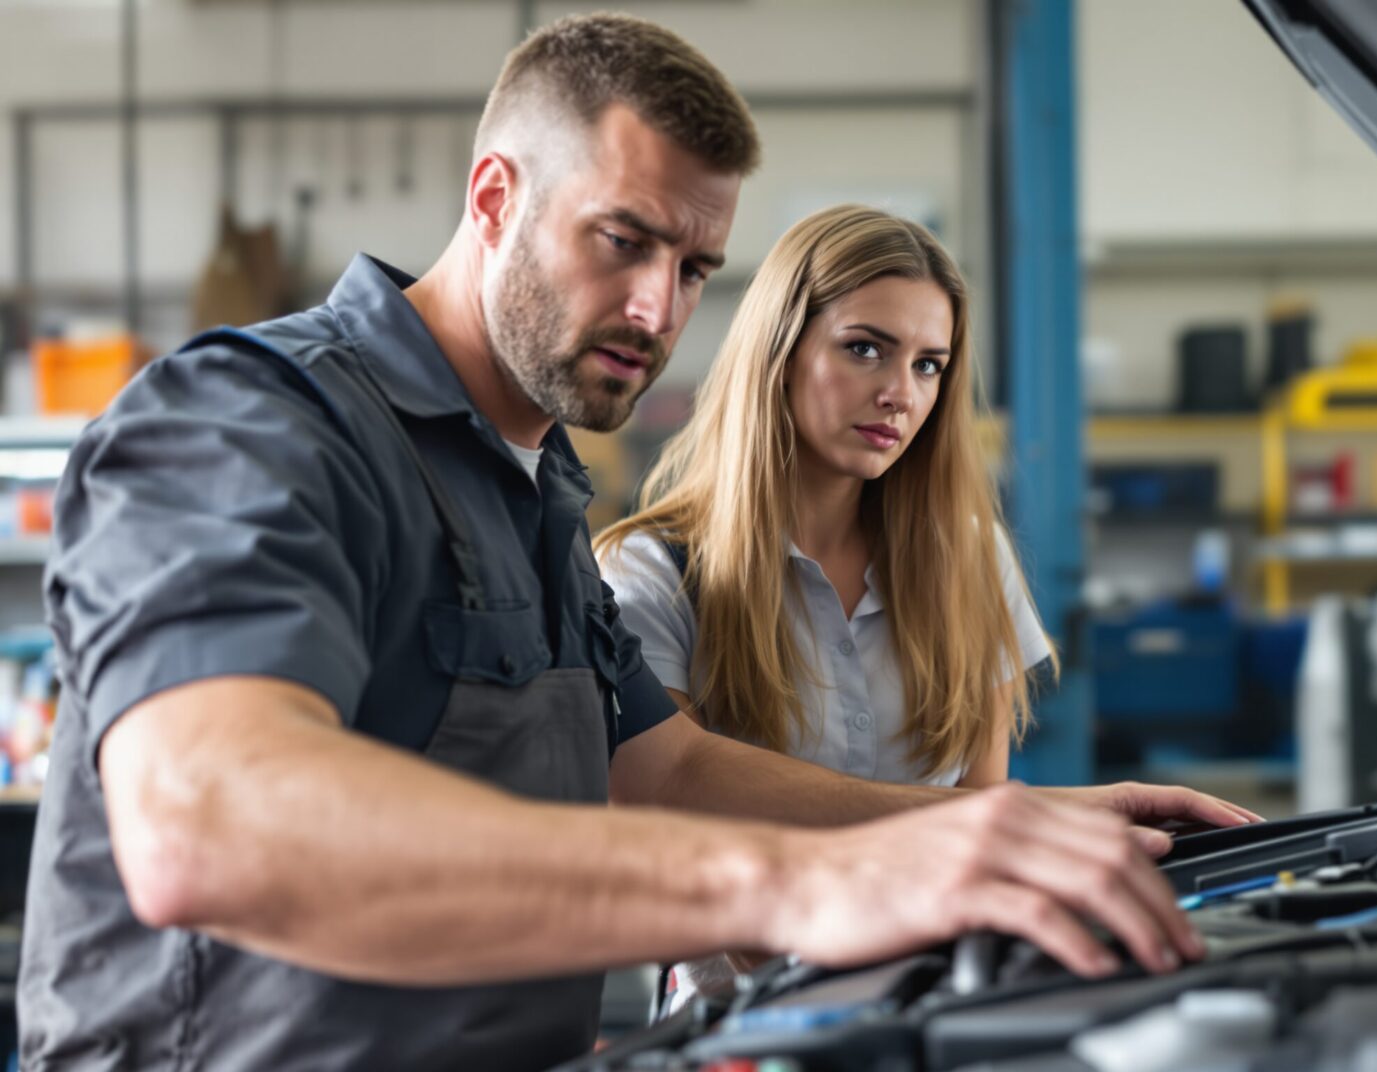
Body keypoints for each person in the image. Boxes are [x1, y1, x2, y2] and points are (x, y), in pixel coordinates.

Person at [19, 14, 1256, 1070]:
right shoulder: (253, 422)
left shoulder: (537, 488)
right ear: (495, 197)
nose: (659, 310)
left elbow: (662, 768)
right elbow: (208, 824)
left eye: (697, 265)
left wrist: (993, 829)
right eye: (623, 242)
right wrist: (788, 885)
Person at [596, 204, 1056, 1004]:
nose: (899, 394)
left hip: (936, 1005)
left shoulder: (969, 554)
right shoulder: (652, 570)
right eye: (865, 349)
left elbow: (978, 817)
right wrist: (813, 993)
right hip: (742, 1023)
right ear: (778, 351)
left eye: (928, 365)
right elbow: (666, 828)